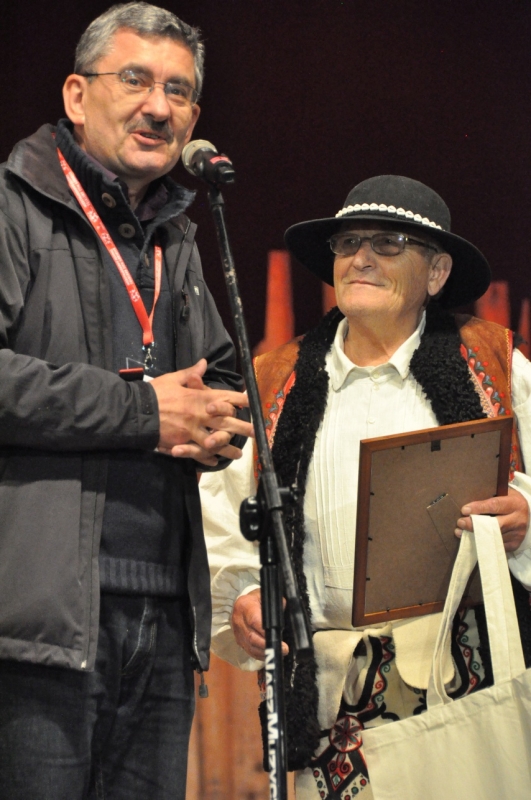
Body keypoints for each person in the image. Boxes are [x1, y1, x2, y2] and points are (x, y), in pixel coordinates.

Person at [201, 174, 531, 799]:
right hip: (332, 700)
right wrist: (245, 594)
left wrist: (524, 517)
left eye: (388, 243)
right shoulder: (275, 379)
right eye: (349, 242)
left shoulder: (491, 361)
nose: (361, 258)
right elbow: (223, 519)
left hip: (461, 681)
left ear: (437, 273)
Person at [0, 3, 254, 799]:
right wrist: (145, 413)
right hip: (34, 620)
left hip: (164, 613)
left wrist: (219, 423)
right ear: (77, 96)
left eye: (177, 92)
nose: (158, 106)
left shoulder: (177, 236)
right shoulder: (13, 206)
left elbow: (221, 381)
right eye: (136, 81)